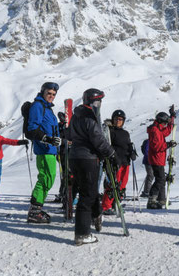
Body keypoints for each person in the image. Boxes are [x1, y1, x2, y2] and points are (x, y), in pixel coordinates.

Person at [68, 88, 116, 245]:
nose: (99, 104)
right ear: (92, 101)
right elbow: (97, 139)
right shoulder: (89, 117)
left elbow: (68, 135)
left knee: (89, 191)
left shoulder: (76, 116)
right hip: (88, 159)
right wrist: (111, 153)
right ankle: (82, 233)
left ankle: (96, 216)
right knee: (87, 196)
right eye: (98, 101)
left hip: (75, 158)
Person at [25, 82, 61, 223]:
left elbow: (50, 128)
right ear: (43, 92)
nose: (51, 96)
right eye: (49, 93)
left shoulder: (47, 108)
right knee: (45, 179)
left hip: (50, 150)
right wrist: (46, 139)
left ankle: (36, 210)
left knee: (48, 179)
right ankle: (34, 212)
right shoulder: (38, 106)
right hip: (44, 149)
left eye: (53, 94)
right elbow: (33, 127)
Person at [102, 109, 137, 215]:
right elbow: (106, 145)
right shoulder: (110, 131)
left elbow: (128, 145)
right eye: (116, 119)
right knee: (112, 184)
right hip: (114, 162)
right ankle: (105, 206)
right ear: (113, 119)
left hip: (125, 162)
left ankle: (116, 203)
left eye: (121, 119)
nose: (118, 121)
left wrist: (132, 152)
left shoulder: (125, 133)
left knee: (122, 185)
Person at [146, 107, 176, 210]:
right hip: (156, 158)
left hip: (159, 158)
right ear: (160, 121)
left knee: (161, 179)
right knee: (160, 179)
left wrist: (172, 118)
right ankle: (152, 200)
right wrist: (167, 144)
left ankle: (161, 198)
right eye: (164, 123)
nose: (165, 125)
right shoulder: (154, 130)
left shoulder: (159, 128)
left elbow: (167, 131)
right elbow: (156, 146)